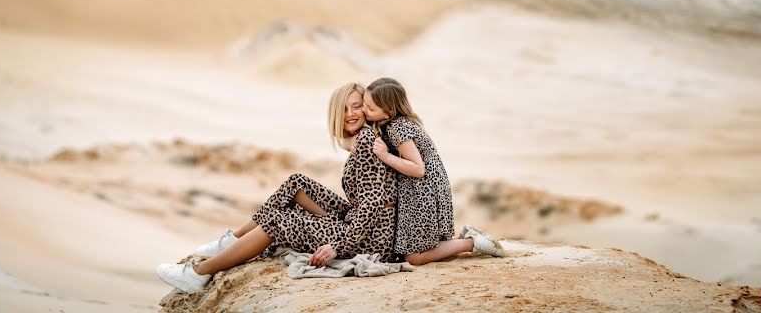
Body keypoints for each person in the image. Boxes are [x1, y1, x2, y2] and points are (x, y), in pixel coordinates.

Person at [155, 82, 398, 293]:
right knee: (297, 182)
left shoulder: (366, 140)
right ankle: (234, 239)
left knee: (277, 221)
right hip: (364, 224)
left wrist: (337, 246)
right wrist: (347, 140)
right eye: (344, 109)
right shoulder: (364, 136)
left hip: (368, 239)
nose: (351, 114)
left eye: (357, 106)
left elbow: (373, 203)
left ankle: (198, 273)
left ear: (367, 107)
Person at [362, 77, 504, 265]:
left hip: (423, 191)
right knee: (419, 247)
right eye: (364, 104)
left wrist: (386, 156)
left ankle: (471, 243)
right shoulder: (393, 123)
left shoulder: (398, 127)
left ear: (388, 112)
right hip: (422, 188)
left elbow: (418, 168)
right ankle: (466, 238)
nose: (364, 110)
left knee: (413, 257)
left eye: (370, 108)